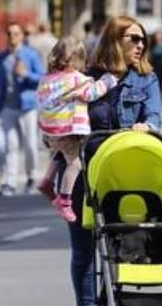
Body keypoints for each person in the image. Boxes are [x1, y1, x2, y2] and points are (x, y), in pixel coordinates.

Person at [68, 15, 162, 306]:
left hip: (128, 176)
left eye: (142, 40)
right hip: (86, 172)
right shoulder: (88, 80)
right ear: (115, 41)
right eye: (133, 39)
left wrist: (146, 127)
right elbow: (65, 115)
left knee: (125, 248)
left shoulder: (146, 80)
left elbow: (154, 115)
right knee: (83, 251)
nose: (140, 45)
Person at [35, 37, 118, 221]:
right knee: (75, 163)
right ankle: (64, 200)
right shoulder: (76, 79)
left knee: (59, 153)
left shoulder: (46, 80)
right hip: (69, 129)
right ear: (78, 59)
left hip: (51, 130)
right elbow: (91, 93)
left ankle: (48, 180)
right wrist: (108, 80)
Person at [0, 21, 44, 195]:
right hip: (7, 106)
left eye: (16, 34)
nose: (12, 37)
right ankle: (9, 182)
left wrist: (25, 74)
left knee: (30, 145)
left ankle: (31, 176)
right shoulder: (1, 58)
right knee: (11, 145)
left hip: (27, 106)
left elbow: (41, 77)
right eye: (9, 34)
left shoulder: (30, 55)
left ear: (21, 36)